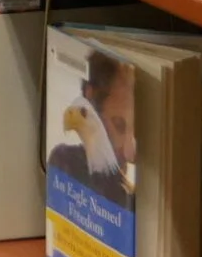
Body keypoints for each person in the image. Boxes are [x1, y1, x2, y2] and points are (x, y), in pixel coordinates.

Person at [45, 47, 136, 213]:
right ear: (91, 97)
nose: (130, 154)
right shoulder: (64, 162)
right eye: (119, 125)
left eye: (139, 134)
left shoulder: (130, 195)